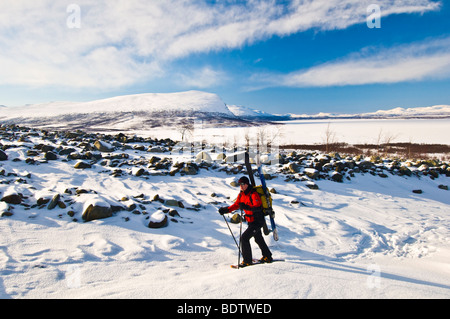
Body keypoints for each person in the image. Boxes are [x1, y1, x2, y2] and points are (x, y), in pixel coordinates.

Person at [219, 176, 273, 266]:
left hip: (257, 220)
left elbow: (258, 207)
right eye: (240, 184)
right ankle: (267, 256)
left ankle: (247, 261)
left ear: (247, 184)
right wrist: (226, 210)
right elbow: (236, 205)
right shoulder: (241, 194)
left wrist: (246, 207)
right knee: (258, 239)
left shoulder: (253, 194)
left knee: (244, 238)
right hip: (250, 221)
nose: (241, 186)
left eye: (243, 184)